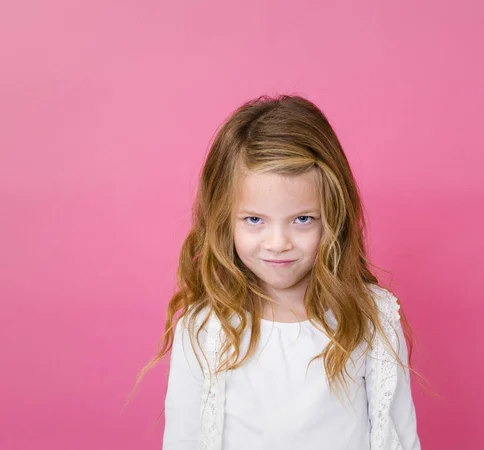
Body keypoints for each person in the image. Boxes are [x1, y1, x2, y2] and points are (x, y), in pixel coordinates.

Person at [152, 94, 421, 449]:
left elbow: (396, 437)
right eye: (254, 220)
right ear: (223, 218)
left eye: (302, 219)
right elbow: (184, 440)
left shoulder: (372, 318)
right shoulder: (205, 328)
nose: (278, 243)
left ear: (333, 216)